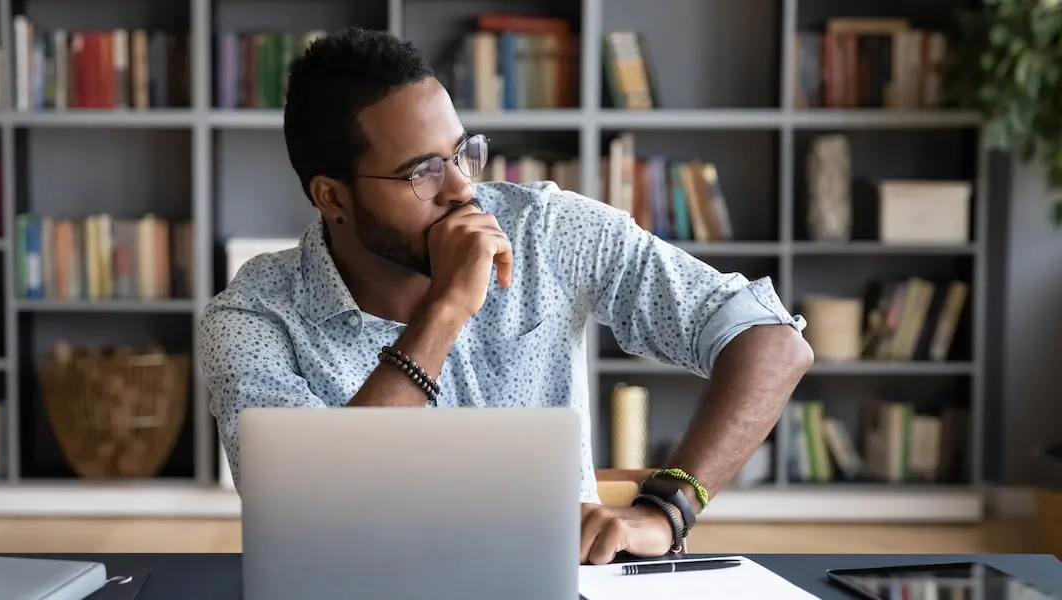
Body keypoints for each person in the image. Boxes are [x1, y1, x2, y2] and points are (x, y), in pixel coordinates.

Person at [197, 27, 813, 565]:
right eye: (421, 172)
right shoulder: (252, 318)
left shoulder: (545, 230)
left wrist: (670, 508)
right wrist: (445, 311)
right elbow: (303, 514)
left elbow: (773, 341)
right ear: (332, 196)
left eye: (461, 153)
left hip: (561, 582)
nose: (463, 189)